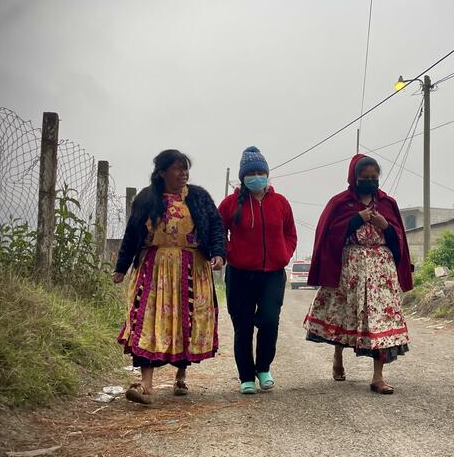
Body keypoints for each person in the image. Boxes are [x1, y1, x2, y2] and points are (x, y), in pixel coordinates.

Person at [114, 149, 225, 405]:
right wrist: (121, 267)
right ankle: (146, 385)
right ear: (162, 172)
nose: (183, 173)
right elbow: (132, 234)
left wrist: (218, 253)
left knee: (186, 321)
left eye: (185, 168)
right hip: (154, 269)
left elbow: (216, 225)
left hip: (191, 266)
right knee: (148, 321)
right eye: (177, 168)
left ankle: (181, 375)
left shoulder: (198, 197)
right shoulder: (146, 199)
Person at [304, 154, 414, 395]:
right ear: (354, 178)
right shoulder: (340, 203)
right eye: (364, 178)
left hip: (381, 272)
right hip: (350, 269)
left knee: (381, 321)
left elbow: (400, 241)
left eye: (374, 178)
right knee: (345, 316)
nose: (370, 181)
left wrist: (386, 226)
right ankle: (338, 356)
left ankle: (378, 377)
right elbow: (329, 236)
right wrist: (355, 220)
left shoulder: (388, 204)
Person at [218, 146, 297, 394]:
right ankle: (246, 377)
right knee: (243, 326)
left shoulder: (281, 203)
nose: (256, 177)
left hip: (272, 274)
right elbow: (219, 232)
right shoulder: (230, 203)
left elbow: (290, 233)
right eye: (251, 173)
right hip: (240, 274)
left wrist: (284, 253)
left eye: (260, 172)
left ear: (267, 174)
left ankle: (263, 368)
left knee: (269, 321)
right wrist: (227, 252)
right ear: (243, 176)